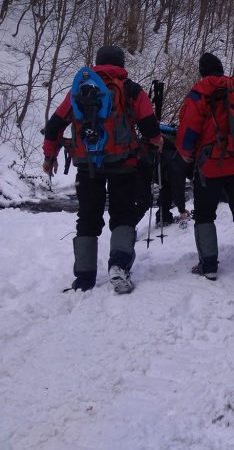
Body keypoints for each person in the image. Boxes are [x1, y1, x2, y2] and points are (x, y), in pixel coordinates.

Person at [42, 45, 163, 294]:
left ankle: (84, 279)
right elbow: (149, 124)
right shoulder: (130, 88)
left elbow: (54, 126)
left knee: (87, 217)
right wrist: (156, 142)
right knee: (122, 215)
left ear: (97, 62)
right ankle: (119, 265)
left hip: (87, 165)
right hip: (123, 163)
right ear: (120, 64)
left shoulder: (80, 90)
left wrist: (49, 156)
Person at [175, 52, 234, 288]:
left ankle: (208, 265)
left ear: (202, 71)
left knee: (205, 214)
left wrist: (185, 152)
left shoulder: (199, 92)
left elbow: (189, 128)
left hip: (210, 165)